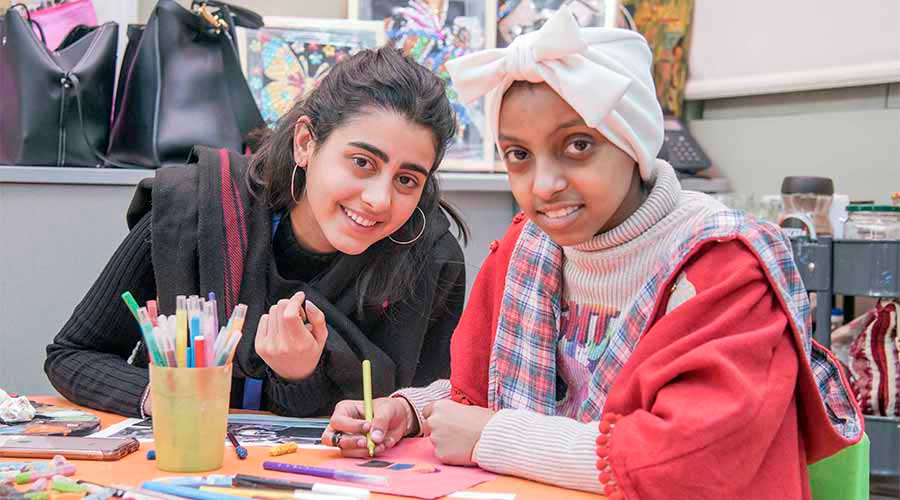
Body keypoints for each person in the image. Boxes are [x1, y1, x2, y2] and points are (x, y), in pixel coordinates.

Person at [323, 8, 862, 499]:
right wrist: (410, 411)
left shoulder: (723, 267)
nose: (544, 184)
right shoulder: (527, 249)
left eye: (578, 145)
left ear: (633, 141)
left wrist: (495, 436)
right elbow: (480, 394)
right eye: (519, 155)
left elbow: (687, 465)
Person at [45, 47, 467, 419]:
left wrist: (298, 377)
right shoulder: (197, 208)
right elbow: (72, 354)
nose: (379, 199)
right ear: (305, 143)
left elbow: (422, 408)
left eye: (407, 180)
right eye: (362, 162)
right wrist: (175, 398)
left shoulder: (430, 258)